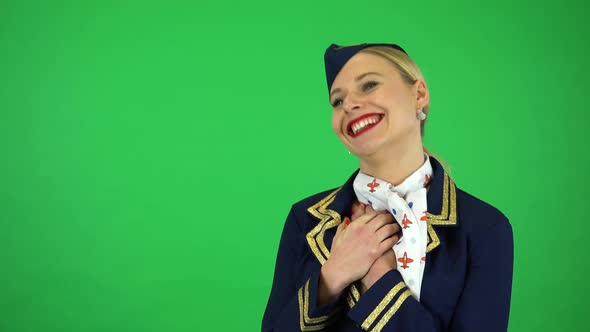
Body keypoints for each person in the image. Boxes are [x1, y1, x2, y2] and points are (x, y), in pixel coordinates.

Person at [261, 43, 514, 332]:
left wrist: (382, 282)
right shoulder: (304, 219)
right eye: (337, 101)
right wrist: (332, 276)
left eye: (369, 85)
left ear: (419, 94)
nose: (349, 104)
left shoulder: (484, 228)